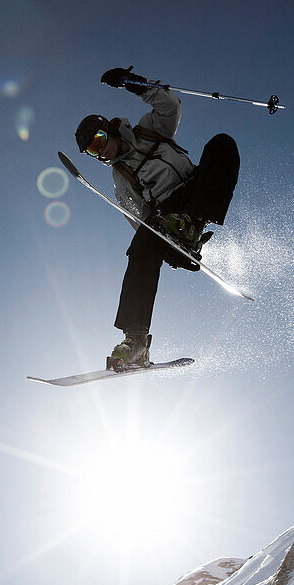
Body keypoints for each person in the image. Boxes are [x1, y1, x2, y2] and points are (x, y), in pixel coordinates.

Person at [75, 66, 240, 371]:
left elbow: (171, 107)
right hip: (166, 215)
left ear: (108, 129)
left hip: (195, 193)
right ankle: (135, 340)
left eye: (99, 140)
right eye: (93, 151)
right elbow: (139, 223)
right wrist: (167, 249)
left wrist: (135, 86)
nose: (101, 151)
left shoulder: (147, 131)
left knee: (222, 144)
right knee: (140, 245)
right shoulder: (121, 181)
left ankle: (193, 225)